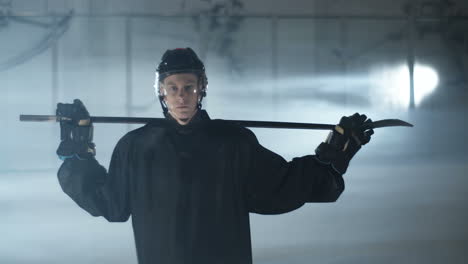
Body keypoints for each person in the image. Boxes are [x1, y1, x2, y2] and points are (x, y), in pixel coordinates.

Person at [56, 47, 374, 264]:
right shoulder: (137, 147)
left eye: (188, 87)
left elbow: (280, 188)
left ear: (201, 89)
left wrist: (330, 158)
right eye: (173, 88)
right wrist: (78, 156)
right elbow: (111, 203)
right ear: (161, 92)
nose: (181, 96)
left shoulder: (233, 142)